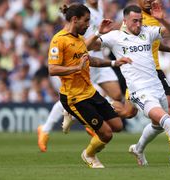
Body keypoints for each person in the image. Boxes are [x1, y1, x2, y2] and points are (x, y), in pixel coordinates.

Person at [87, 4, 170, 166]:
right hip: (139, 91)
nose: (138, 24)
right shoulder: (114, 37)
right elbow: (87, 46)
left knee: (157, 126)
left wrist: (162, 20)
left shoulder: (148, 31)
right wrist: (97, 33)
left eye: (140, 21)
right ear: (125, 20)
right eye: (134, 21)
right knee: (167, 121)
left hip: (157, 87)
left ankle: (138, 149)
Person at [47, 3, 131, 168]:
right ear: (74, 19)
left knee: (118, 126)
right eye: (86, 21)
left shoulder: (79, 40)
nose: (87, 25)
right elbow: (52, 69)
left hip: (89, 92)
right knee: (107, 134)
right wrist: (77, 68)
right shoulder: (58, 40)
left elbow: (91, 61)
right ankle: (89, 155)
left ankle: (73, 116)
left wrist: (114, 62)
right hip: (74, 97)